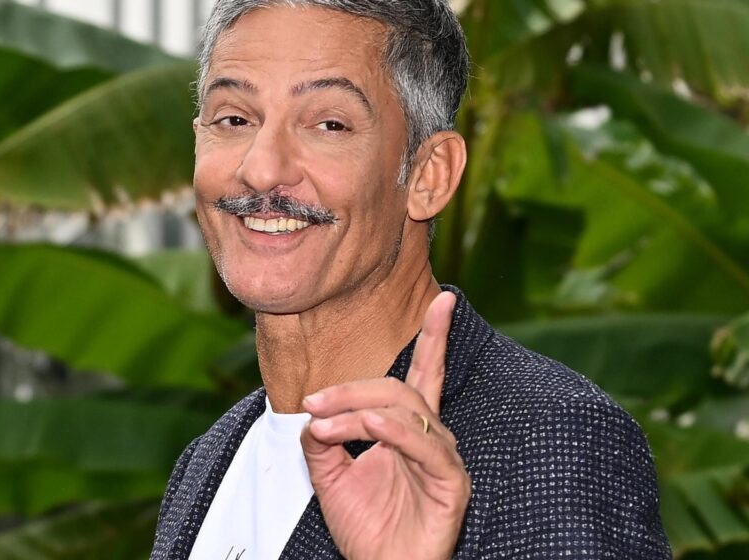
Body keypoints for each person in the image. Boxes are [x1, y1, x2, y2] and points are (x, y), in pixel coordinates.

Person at [151, 1, 672, 558]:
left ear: (429, 176)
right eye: (234, 119)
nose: (260, 169)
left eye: (329, 124)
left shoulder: (547, 442)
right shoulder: (208, 461)